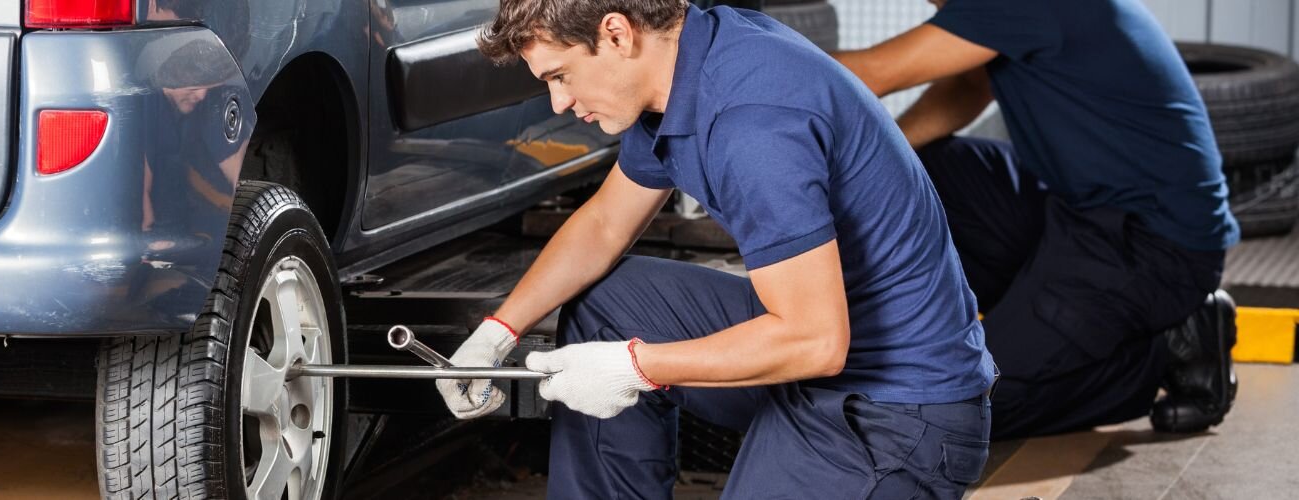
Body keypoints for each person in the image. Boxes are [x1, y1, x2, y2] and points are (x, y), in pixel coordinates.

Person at [438, 1, 996, 497]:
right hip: (828, 352)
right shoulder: (691, 59)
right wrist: (497, 334)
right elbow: (605, 224)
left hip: (892, 412)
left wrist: (635, 366)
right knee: (610, 303)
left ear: (616, 34)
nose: (559, 102)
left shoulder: (751, 124)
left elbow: (816, 343)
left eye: (560, 76)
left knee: (628, 352)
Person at [832, 0, 1239, 439]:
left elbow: (871, 73)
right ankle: (1024, 326)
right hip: (1072, 211)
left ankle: (1163, 352)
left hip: (1151, 246)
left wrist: (770, 51)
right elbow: (968, 86)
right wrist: (880, 164)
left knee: (949, 409)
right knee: (912, 167)